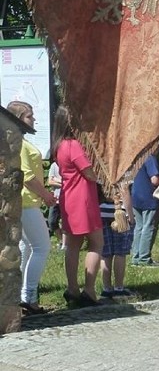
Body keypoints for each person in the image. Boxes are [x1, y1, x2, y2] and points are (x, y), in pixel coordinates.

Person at [7, 101, 56, 315]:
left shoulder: (21, 142)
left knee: (28, 247)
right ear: (18, 119)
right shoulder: (20, 144)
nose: (33, 119)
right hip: (26, 202)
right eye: (29, 116)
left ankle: (22, 296)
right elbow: (26, 176)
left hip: (26, 201)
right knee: (42, 247)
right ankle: (29, 297)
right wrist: (45, 194)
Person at [52, 105, 103, 308]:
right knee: (96, 243)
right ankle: (89, 291)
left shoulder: (58, 144)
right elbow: (88, 171)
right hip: (83, 197)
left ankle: (72, 288)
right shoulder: (73, 144)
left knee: (72, 245)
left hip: (68, 196)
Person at [99, 180, 135, 298]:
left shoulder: (100, 172)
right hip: (120, 215)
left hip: (102, 214)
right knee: (120, 253)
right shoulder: (123, 173)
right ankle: (119, 287)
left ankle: (107, 288)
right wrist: (130, 216)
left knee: (106, 254)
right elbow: (125, 193)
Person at [130, 154, 159, 267]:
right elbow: (154, 180)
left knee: (139, 227)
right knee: (148, 226)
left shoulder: (136, 157)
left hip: (135, 195)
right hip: (148, 196)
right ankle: (144, 258)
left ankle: (135, 257)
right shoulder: (150, 158)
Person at [47, 160, 65, 248]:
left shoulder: (69, 165)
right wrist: (63, 182)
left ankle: (65, 244)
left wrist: (56, 180)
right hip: (56, 199)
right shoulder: (54, 165)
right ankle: (62, 240)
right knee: (52, 222)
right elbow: (50, 181)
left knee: (66, 223)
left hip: (67, 199)